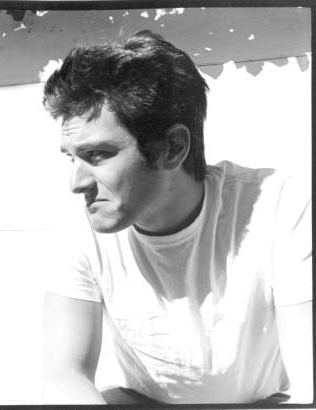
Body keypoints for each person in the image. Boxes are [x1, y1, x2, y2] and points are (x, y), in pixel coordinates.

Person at [41, 30, 312, 405]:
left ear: (173, 148)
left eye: (98, 155)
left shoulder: (281, 204)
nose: (76, 183)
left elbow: (311, 381)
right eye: (71, 157)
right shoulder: (80, 225)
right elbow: (64, 373)